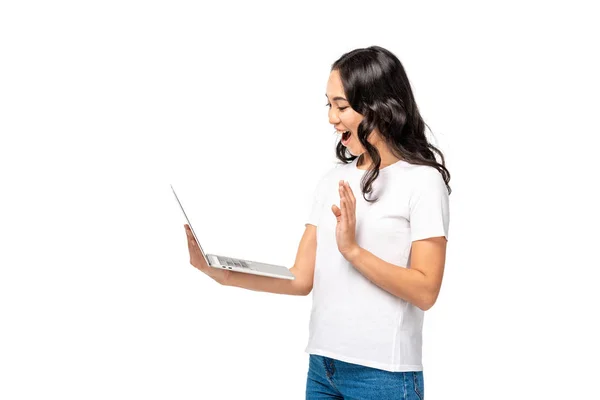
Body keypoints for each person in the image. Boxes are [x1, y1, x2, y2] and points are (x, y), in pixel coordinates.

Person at [184, 45, 450, 400]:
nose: (331, 118)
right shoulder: (332, 179)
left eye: (342, 106)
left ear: (378, 107)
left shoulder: (422, 181)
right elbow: (300, 278)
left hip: (384, 377)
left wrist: (353, 251)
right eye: (329, 105)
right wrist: (221, 273)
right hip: (324, 370)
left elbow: (425, 290)